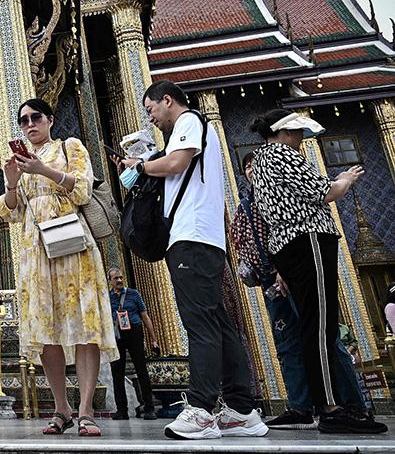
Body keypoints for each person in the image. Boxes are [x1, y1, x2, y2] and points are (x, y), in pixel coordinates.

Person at [118, 81, 264, 440]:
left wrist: (140, 166)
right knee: (218, 322)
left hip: (192, 236)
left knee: (199, 323)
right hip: (202, 237)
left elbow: (177, 162)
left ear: (167, 100)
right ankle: (241, 409)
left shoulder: (188, 121)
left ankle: (200, 408)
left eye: (152, 109)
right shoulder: (192, 128)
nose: (153, 117)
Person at [250, 109, 386, 434]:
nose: (300, 139)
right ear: (283, 132)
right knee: (321, 326)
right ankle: (331, 408)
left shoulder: (261, 161)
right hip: (307, 239)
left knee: (314, 325)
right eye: (296, 132)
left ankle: (328, 404)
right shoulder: (282, 155)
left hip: (287, 245)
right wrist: (346, 180)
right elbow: (327, 192)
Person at [1, 99, 116, 437]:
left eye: (36, 117)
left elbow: (82, 191)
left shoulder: (69, 147)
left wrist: (43, 170)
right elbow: (10, 212)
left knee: (84, 325)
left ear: (50, 120)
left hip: (72, 245)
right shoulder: (21, 162)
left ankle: (85, 410)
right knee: (46, 330)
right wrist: (11, 182)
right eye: (23, 120)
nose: (29, 124)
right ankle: (61, 408)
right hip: (36, 251)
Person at [233, 152, 365, 429]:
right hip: (269, 280)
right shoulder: (247, 203)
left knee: (322, 336)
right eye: (246, 166)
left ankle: (351, 404)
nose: (251, 169)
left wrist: (284, 269)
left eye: (255, 164)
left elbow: (287, 231)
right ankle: (300, 405)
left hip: (292, 271)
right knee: (287, 343)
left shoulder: (281, 194)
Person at [106, 268, 159, 420]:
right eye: (116, 278)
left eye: (121, 277)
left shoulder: (133, 294)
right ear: (110, 281)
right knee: (117, 372)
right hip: (116, 334)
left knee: (141, 369)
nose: (120, 280)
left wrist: (153, 338)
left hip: (134, 331)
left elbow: (145, 316)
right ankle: (121, 409)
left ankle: (149, 407)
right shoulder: (107, 298)